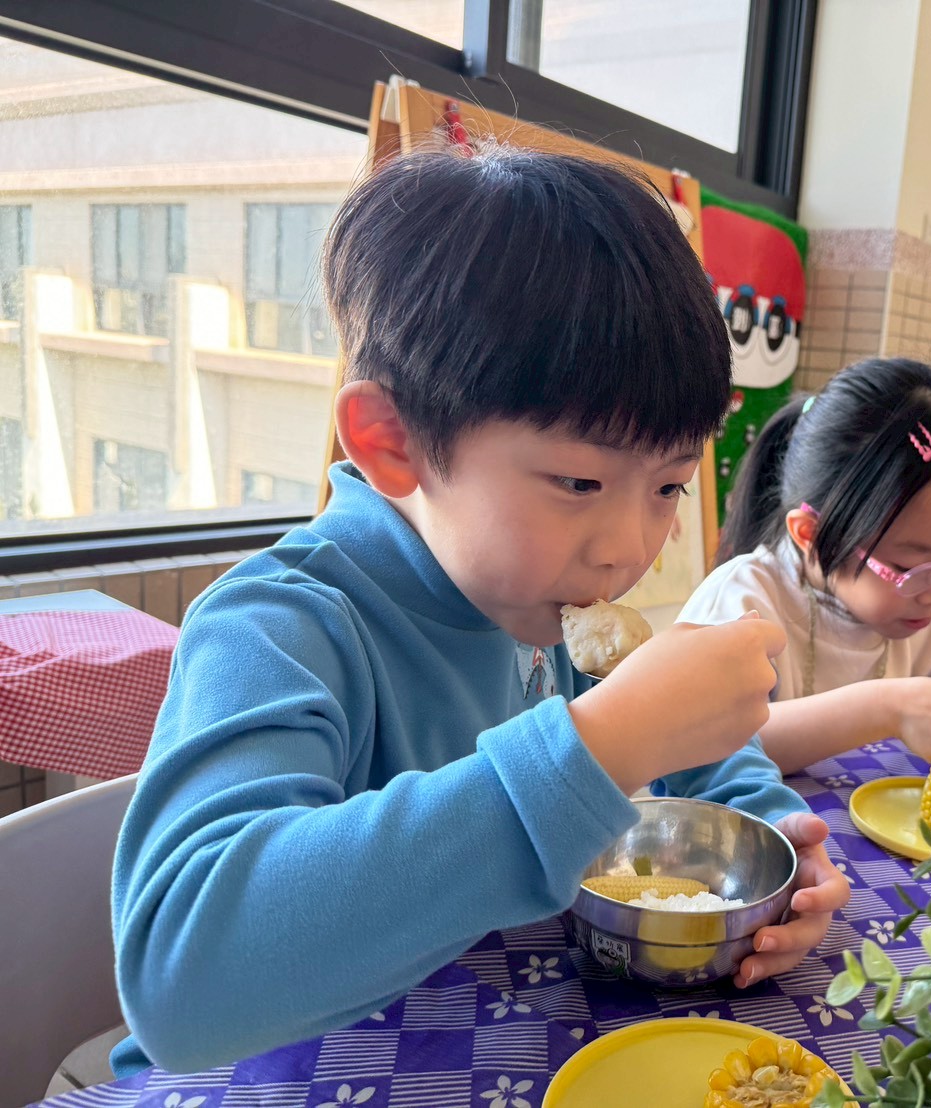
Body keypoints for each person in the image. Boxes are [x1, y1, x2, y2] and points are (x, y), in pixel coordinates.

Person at [109, 145, 848, 1076]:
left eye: (667, 486)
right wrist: (595, 749)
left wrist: (779, 841)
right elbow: (182, 983)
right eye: (578, 482)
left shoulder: (541, 607)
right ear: (393, 442)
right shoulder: (280, 627)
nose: (629, 550)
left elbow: (698, 755)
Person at [680, 358, 931, 775]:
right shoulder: (742, 605)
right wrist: (889, 709)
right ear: (812, 536)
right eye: (910, 567)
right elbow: (697, 745)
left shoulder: (929, 621)